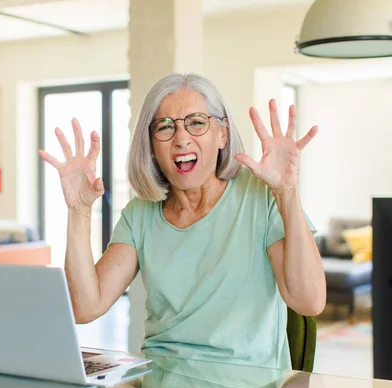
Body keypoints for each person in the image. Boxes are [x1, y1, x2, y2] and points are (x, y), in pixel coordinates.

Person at [38, 73, 326, 370]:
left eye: (197, 123)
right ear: (150, 145)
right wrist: (79, 210)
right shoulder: (141, 213)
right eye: (165, 127)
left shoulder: (261, 198)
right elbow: (85, 306)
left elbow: (310, 301)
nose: (181, 138)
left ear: (222, 135)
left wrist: (286, 193)